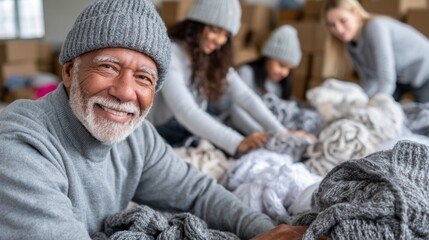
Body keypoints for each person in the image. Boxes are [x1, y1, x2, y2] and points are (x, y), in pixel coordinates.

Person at [0, 0, 306, 239]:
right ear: (68, 71)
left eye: (144, 78)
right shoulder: (21, 147)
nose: (124, 92)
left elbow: (197, 193)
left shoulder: (138, 138)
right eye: (107, 67)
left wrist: (265, 230)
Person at [147, 0, 313, 156]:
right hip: (159, 132)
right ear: (196, 25)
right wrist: (237, 142)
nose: (219, 40)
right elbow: (186, 111)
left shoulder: (211, 58)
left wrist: (280, 131)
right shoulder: (171, 53)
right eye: (214, 30)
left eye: (226, 34)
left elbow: (246, 97)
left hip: (186, 129)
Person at [322, 0, 429, 103]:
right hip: (401, 79)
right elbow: (371, 80)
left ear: (356, 14)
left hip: (425, 74)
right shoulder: (351, 45)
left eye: (343, 21)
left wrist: (376, 105)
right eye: (332, 25)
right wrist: (356, 100)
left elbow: (386, 77)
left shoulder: (375, 27)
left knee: (423, 116)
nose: (339, 29)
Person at [232, 24, 303, 135]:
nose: (285, 73)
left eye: (290, 69)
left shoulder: (279, 85)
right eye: (282, 65)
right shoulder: (246, 73)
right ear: (268, 57)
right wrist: (267, 135)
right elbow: (236, 112)